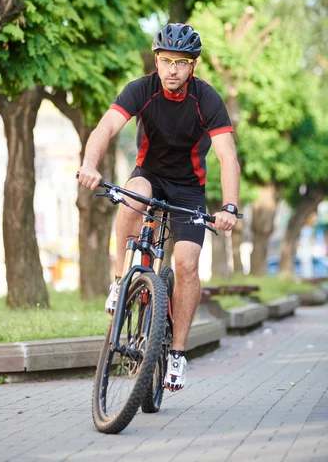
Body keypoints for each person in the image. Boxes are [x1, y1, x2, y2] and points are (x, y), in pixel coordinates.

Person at [78, 23, 240, 391]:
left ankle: (178, 354)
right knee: (131, 196)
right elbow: (105, 129)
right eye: (165, 61)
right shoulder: (141, 89)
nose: (172, 69)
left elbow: (228, 157)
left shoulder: (207, 99)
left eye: (180, 63)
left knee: (186, 262)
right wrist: (89, 164)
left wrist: (229, 205)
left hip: (188, 189)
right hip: (148, 174)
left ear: (192, 66)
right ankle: (121, 281)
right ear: (156, 60)